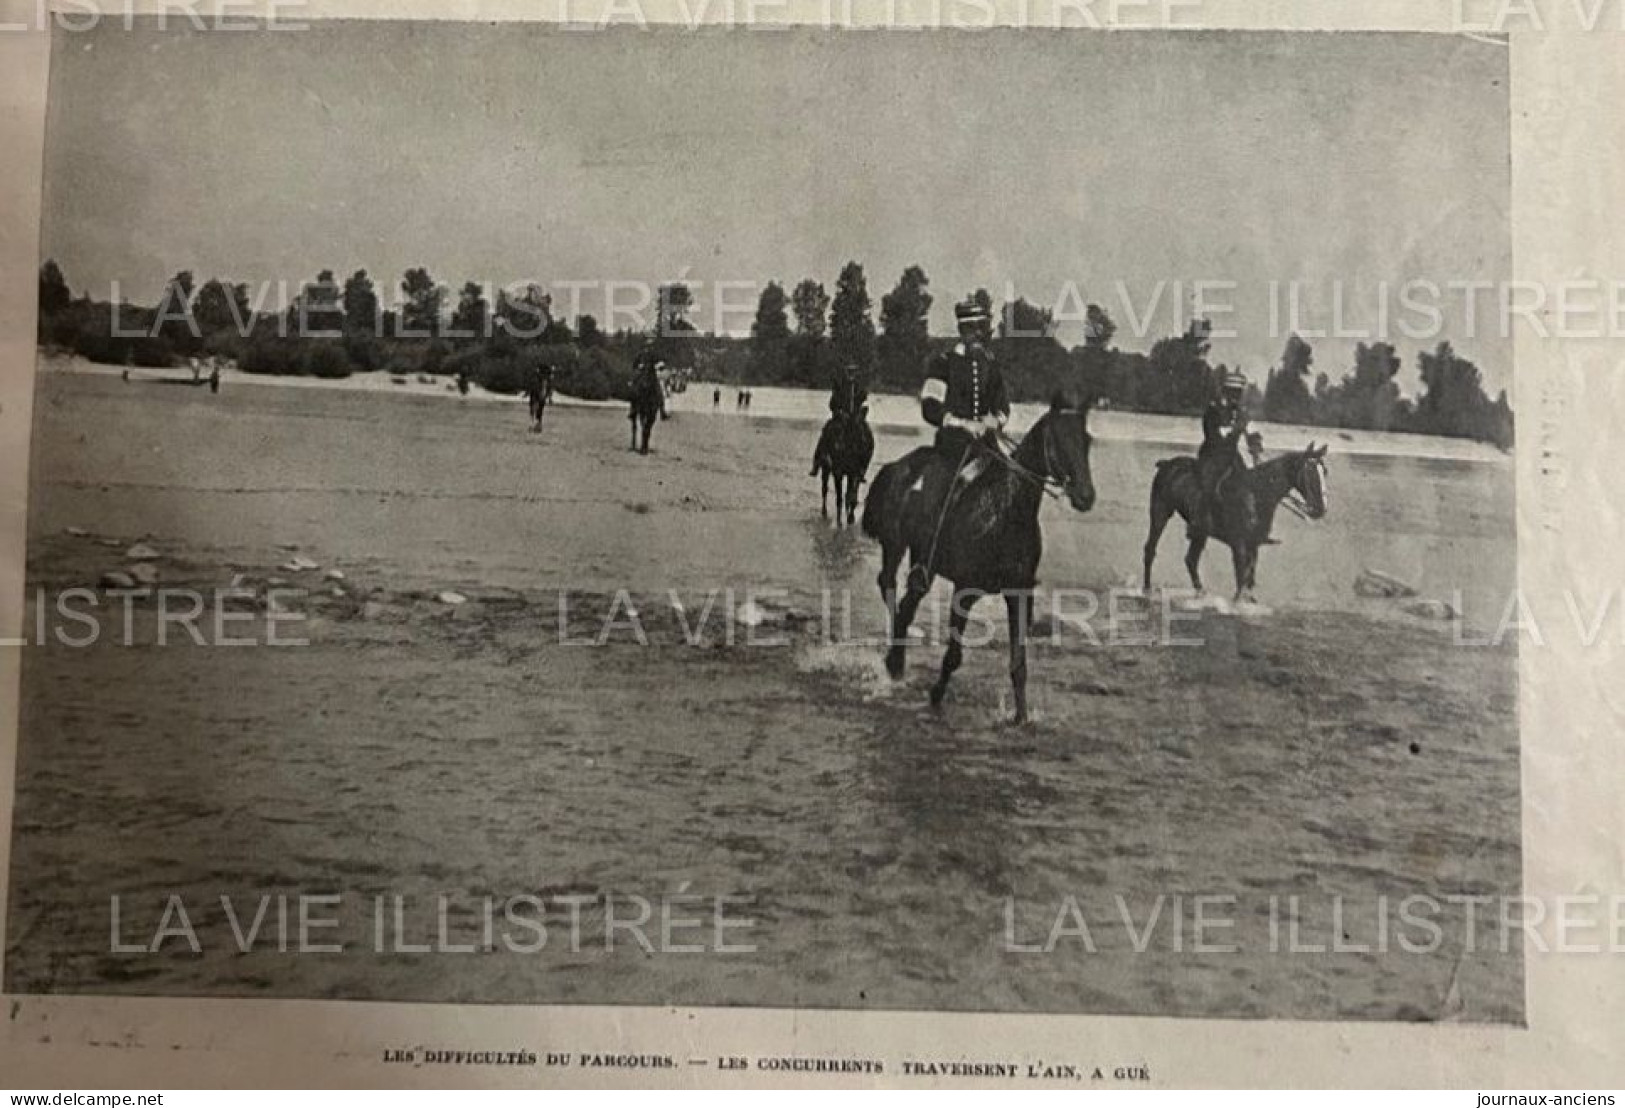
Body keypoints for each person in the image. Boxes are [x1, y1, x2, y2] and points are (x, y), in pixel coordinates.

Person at [1196, 368, 1254, 537]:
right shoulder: (1214, 409)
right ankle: (1198, 524)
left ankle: (1246, 521)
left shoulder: (1241, 413)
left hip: (1231, 456)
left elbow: (1251, 431)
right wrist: (1234, 430)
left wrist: (1255, 443)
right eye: (1233, 392)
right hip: (1211, 455)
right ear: (1226, 391)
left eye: (1238, 392)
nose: (1235, 396)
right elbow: (1213, 435)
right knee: (1209, 486)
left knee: (1247, 481)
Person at [809, 362, 871, 476]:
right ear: (845, 372)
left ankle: (863, 467)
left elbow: (863, 401)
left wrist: (861, 410)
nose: (851, 374)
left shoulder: (859, 387)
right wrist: (839, 411)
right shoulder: (839, 386)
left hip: (855, 417)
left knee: (868, 437)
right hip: (841, 417)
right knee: (826, 433)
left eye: (853, 371)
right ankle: (816, 464)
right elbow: (832, 404)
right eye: (849, 371)